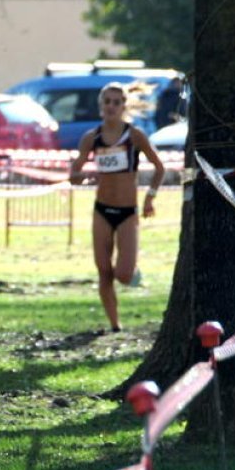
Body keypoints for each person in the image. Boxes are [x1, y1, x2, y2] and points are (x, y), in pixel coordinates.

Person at [70, 82, 165, 332]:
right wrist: (88, 176)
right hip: (102, 210)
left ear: (124, 106)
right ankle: (114, 325)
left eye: (116, 102)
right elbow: (74, 174)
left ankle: (131, 265)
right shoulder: (92, 138)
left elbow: (159, 167)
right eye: (107, 102)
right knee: (103, 271)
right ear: (101, 105)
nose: (111, 106)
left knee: (122, 275)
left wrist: (149, 198)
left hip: (127, 212)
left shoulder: (134, 136)